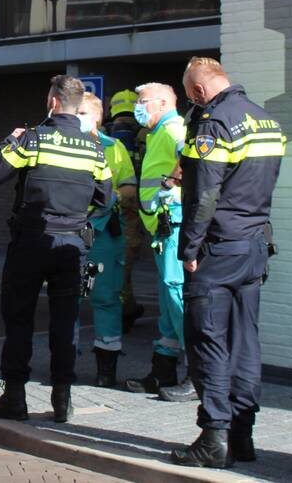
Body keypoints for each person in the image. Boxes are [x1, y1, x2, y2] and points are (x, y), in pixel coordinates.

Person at [170, 57, 285, 468]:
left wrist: (189, 249)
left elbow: (204, 195)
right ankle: (242, 435)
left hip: (218, 250)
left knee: (209, 342)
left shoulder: (214, 123)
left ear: (199, 91)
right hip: (253, 246)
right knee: (245, 343)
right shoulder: (266, 120)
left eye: (190, 96)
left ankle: (213, 438)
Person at [0, 75, 111, 423]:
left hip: (31, 240)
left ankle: (15, 398)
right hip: (72, 244)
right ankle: (62, 400)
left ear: (53, 101)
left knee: (19, 318)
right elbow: (105, 199)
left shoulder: (33, 139)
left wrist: (11, 140)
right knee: (66, 321)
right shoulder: (94, 148)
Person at [123, 83, 194, 401]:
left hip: (172, 222)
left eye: (142, 101)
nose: (138, 107)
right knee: (167, 301)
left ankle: (197, 373)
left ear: (163, 103)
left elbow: (191, 158)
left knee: (175, 293)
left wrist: (172, 183)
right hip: (162, 226)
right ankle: (162, 372)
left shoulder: (173, 128)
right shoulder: (157, 133)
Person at [77, 92, 137, 387]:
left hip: (103, 232)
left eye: (82, 112)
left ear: (98, 117)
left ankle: (106, 368)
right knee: (67, 299)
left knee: (107, 298)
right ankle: (63, 365)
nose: (77, 117)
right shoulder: (62, 144)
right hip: (69, 230)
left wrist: (110, 197)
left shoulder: (115, 148)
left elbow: (129, 188)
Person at [105, 89, 147, 332]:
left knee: (114, 261)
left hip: (108, 205)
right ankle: (123, 310)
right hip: (138, 205)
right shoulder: (145, 135)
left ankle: (121, 308)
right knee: (125, 262)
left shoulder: (105, 136)